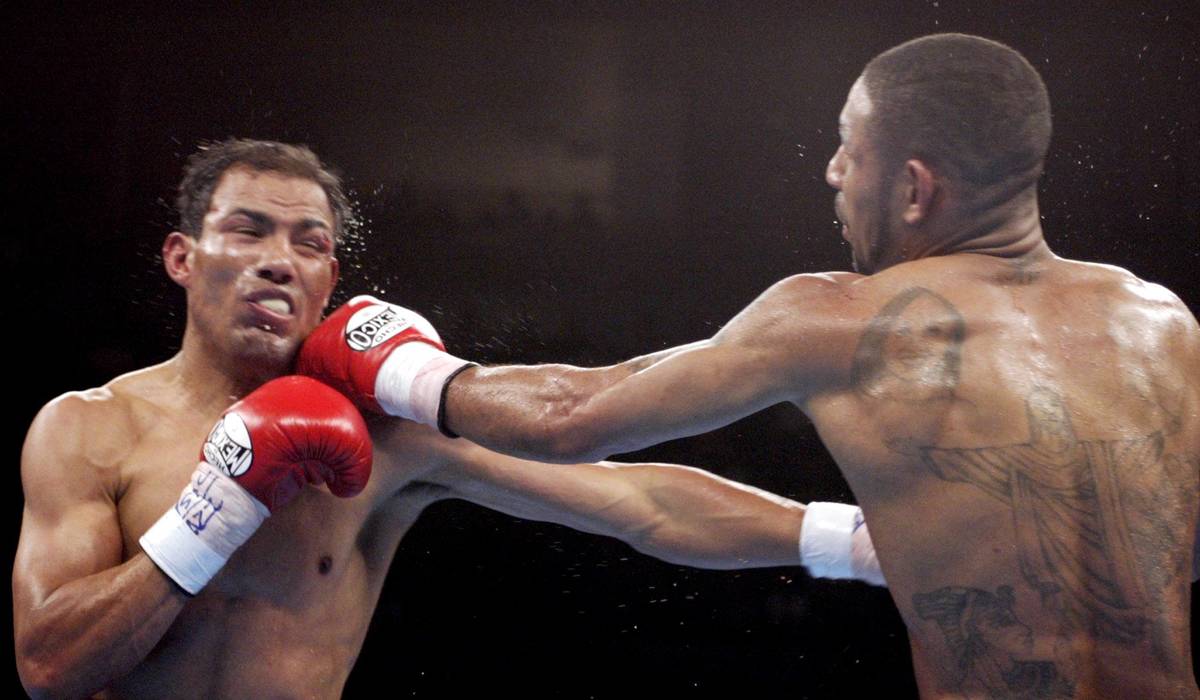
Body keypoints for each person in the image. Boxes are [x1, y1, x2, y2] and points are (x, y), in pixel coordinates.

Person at [300, 33, 1200, 698]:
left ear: (917, 187)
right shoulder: (1162, 326)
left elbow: (570, 417)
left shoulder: (835, 316)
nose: (834, 172)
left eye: (851, 146)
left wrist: (395, 363)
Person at [12, 139, 879, 699]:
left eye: (308, 243)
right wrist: (213, 512)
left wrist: (861, 543)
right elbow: (49, 665)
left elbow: (637, 502)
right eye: (247, 231)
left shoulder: (389, 433)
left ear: (330, 278)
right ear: (181, 257)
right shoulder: (87, 429)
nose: (279, 261)